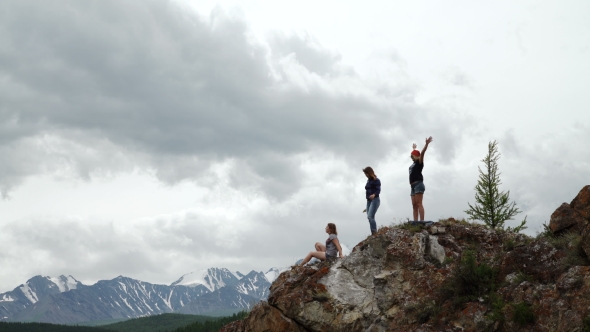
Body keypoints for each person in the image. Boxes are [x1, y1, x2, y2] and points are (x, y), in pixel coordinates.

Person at [409, 136, 433, 221]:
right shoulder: (413, 164)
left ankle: (422, 221)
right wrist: (414, 148)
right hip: (412, 186)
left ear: (416, 156)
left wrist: (426, 145)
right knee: (414, 205)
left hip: (418, 184)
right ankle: (415, 222)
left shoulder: (419, 162)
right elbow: (415, 153)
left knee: (419, 203)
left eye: (412, 156)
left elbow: (422, 153)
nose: (411, 157)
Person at [363, 166, 381, 235]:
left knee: (370, 216)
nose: (366, 175)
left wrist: (374, 194)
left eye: (366, 173)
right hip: (368, 201)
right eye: (365, 174)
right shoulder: (368, 181)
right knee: (370, 217)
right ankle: (373, 233)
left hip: (375, 200)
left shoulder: (376, 180)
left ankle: (374, 232)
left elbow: (378, 190)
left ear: (370, 173)